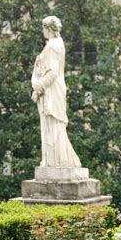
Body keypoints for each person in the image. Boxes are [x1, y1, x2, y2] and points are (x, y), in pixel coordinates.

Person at [31, 15, 81, 167]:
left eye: (44, 28)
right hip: (52, 91)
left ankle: (56, 162)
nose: (43, 31)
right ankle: (56, 161)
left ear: (49, 29)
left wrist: (38, 88)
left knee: (52, 127)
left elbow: (52, 72)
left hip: (51, 93)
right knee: (53, 127)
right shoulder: (57, 44)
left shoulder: (53, 45)